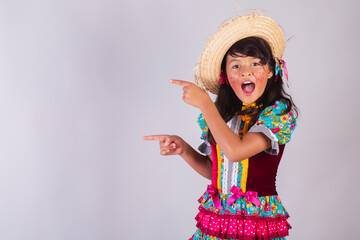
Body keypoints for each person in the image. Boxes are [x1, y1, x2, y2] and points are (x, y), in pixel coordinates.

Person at [143, 13, 298, 240]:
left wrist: (206, 103)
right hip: (218, 220)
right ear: (225, 76)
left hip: (255, 222)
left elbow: (236, 151)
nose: (246, 71)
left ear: (271, 71)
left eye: (255, 63)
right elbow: (215, 171)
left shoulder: (278, 113)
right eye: (236, 65)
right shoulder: (223, 117)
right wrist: (184, 149)